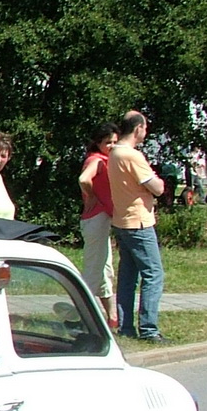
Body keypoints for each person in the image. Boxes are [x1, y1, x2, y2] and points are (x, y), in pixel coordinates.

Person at [109, 110, 168, 342]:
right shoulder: (132, 156)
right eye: (144, 127)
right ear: (137, 129)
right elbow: (157, 187)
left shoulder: (114, 153)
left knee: (127, 275)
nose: (146, 131)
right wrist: (157, 183)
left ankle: (125, 326)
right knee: (153, 274)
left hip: (121, 219)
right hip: (139, 221)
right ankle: (149, 328)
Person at [78, 123, 119, 328]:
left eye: (114, 142)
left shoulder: (107, 160)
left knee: (105, 269)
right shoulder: (96, 160)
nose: (111, 146)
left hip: (102, 219)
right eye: (107, 142)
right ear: (98, 143)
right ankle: (79, 314)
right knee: (94, 269)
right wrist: (93, 196)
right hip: (96, 218)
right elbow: (84, 179)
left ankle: (111, 317)